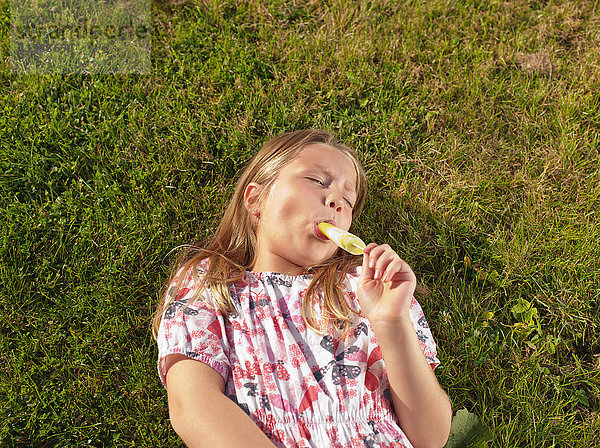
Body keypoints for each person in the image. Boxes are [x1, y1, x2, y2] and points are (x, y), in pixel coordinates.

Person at [152, 129, 452, 447]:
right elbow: (193, 406)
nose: (336, 201)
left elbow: (430, 436)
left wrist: (391, 322)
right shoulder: (210, 281)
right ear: (256, 200)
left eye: (348, 201)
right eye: (318, 182)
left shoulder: (367, 289)